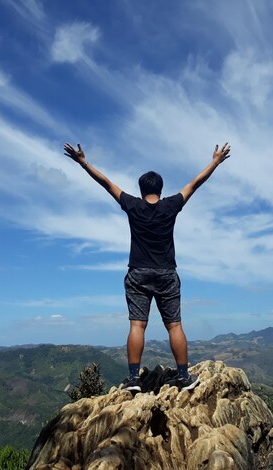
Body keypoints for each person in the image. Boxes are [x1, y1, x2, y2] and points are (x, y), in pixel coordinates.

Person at [63, 142, 231, 392]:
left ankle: (133, 379)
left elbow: (106, 183)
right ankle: (184, 376)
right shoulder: (171, 205)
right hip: (166, 273)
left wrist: (83, 162)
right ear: (160, 190)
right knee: (174, 325)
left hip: (138, 273)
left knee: (137, 325)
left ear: (141, 190)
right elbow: (195, 183)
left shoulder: (132, 205)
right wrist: (216, 161)